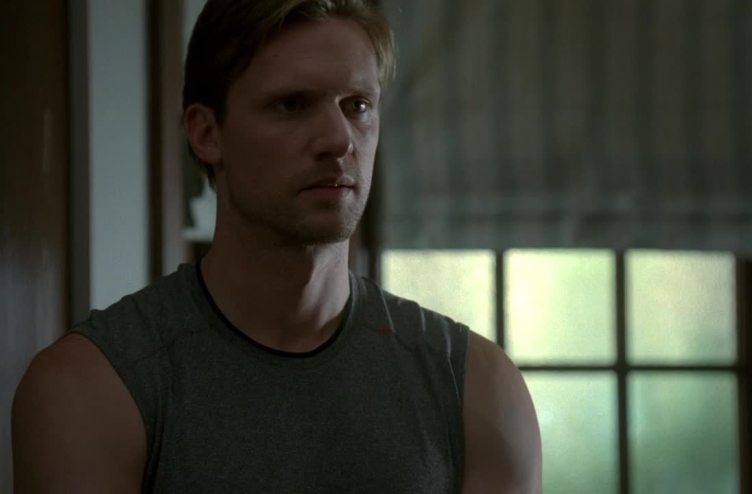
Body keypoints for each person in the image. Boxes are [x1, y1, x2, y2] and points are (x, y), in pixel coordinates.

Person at [12, 0, 542, 492]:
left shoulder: (476, 388)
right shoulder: (95, 384)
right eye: (292, 104)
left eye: (357, 105)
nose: (339, 139)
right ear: (206, 133)